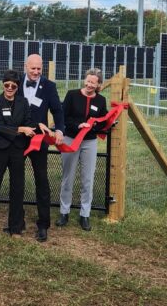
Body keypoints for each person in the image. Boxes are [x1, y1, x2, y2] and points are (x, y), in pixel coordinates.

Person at [0, 69, 36, 236]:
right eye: (7, 85)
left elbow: (28, 122)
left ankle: (16, 228)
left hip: (18, 150)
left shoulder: (23, 102)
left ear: (18, 86)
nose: (10, 88)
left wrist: (17, 129)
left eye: (13, 85)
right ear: (2, 85)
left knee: (17, 188)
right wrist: (19, 129)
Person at [57, 68, 108, 231]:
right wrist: (78, 125)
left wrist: (97, 124)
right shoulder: (72, 95)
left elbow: (102, 120)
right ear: (84, 80)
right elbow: (64, 116)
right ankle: (64, 212)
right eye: (88, 81)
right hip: (71, 139)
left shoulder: (101, 100)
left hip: (89, 142)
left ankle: (85, 214)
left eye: (94, 82)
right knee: (68, 177)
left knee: (88, 179)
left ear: (99, 84)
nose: (90, 84)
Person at [22, 54, 65, 242]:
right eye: (33, 68)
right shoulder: (14, 83)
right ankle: (17, 220)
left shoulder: (49, 86)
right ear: (26, 67)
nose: (36, 72)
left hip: (39, 140)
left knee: (41, 179)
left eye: (39, 69)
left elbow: (57, 110)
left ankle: (43, 224)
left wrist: (60, 129)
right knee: (17, 178)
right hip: (19, 137)